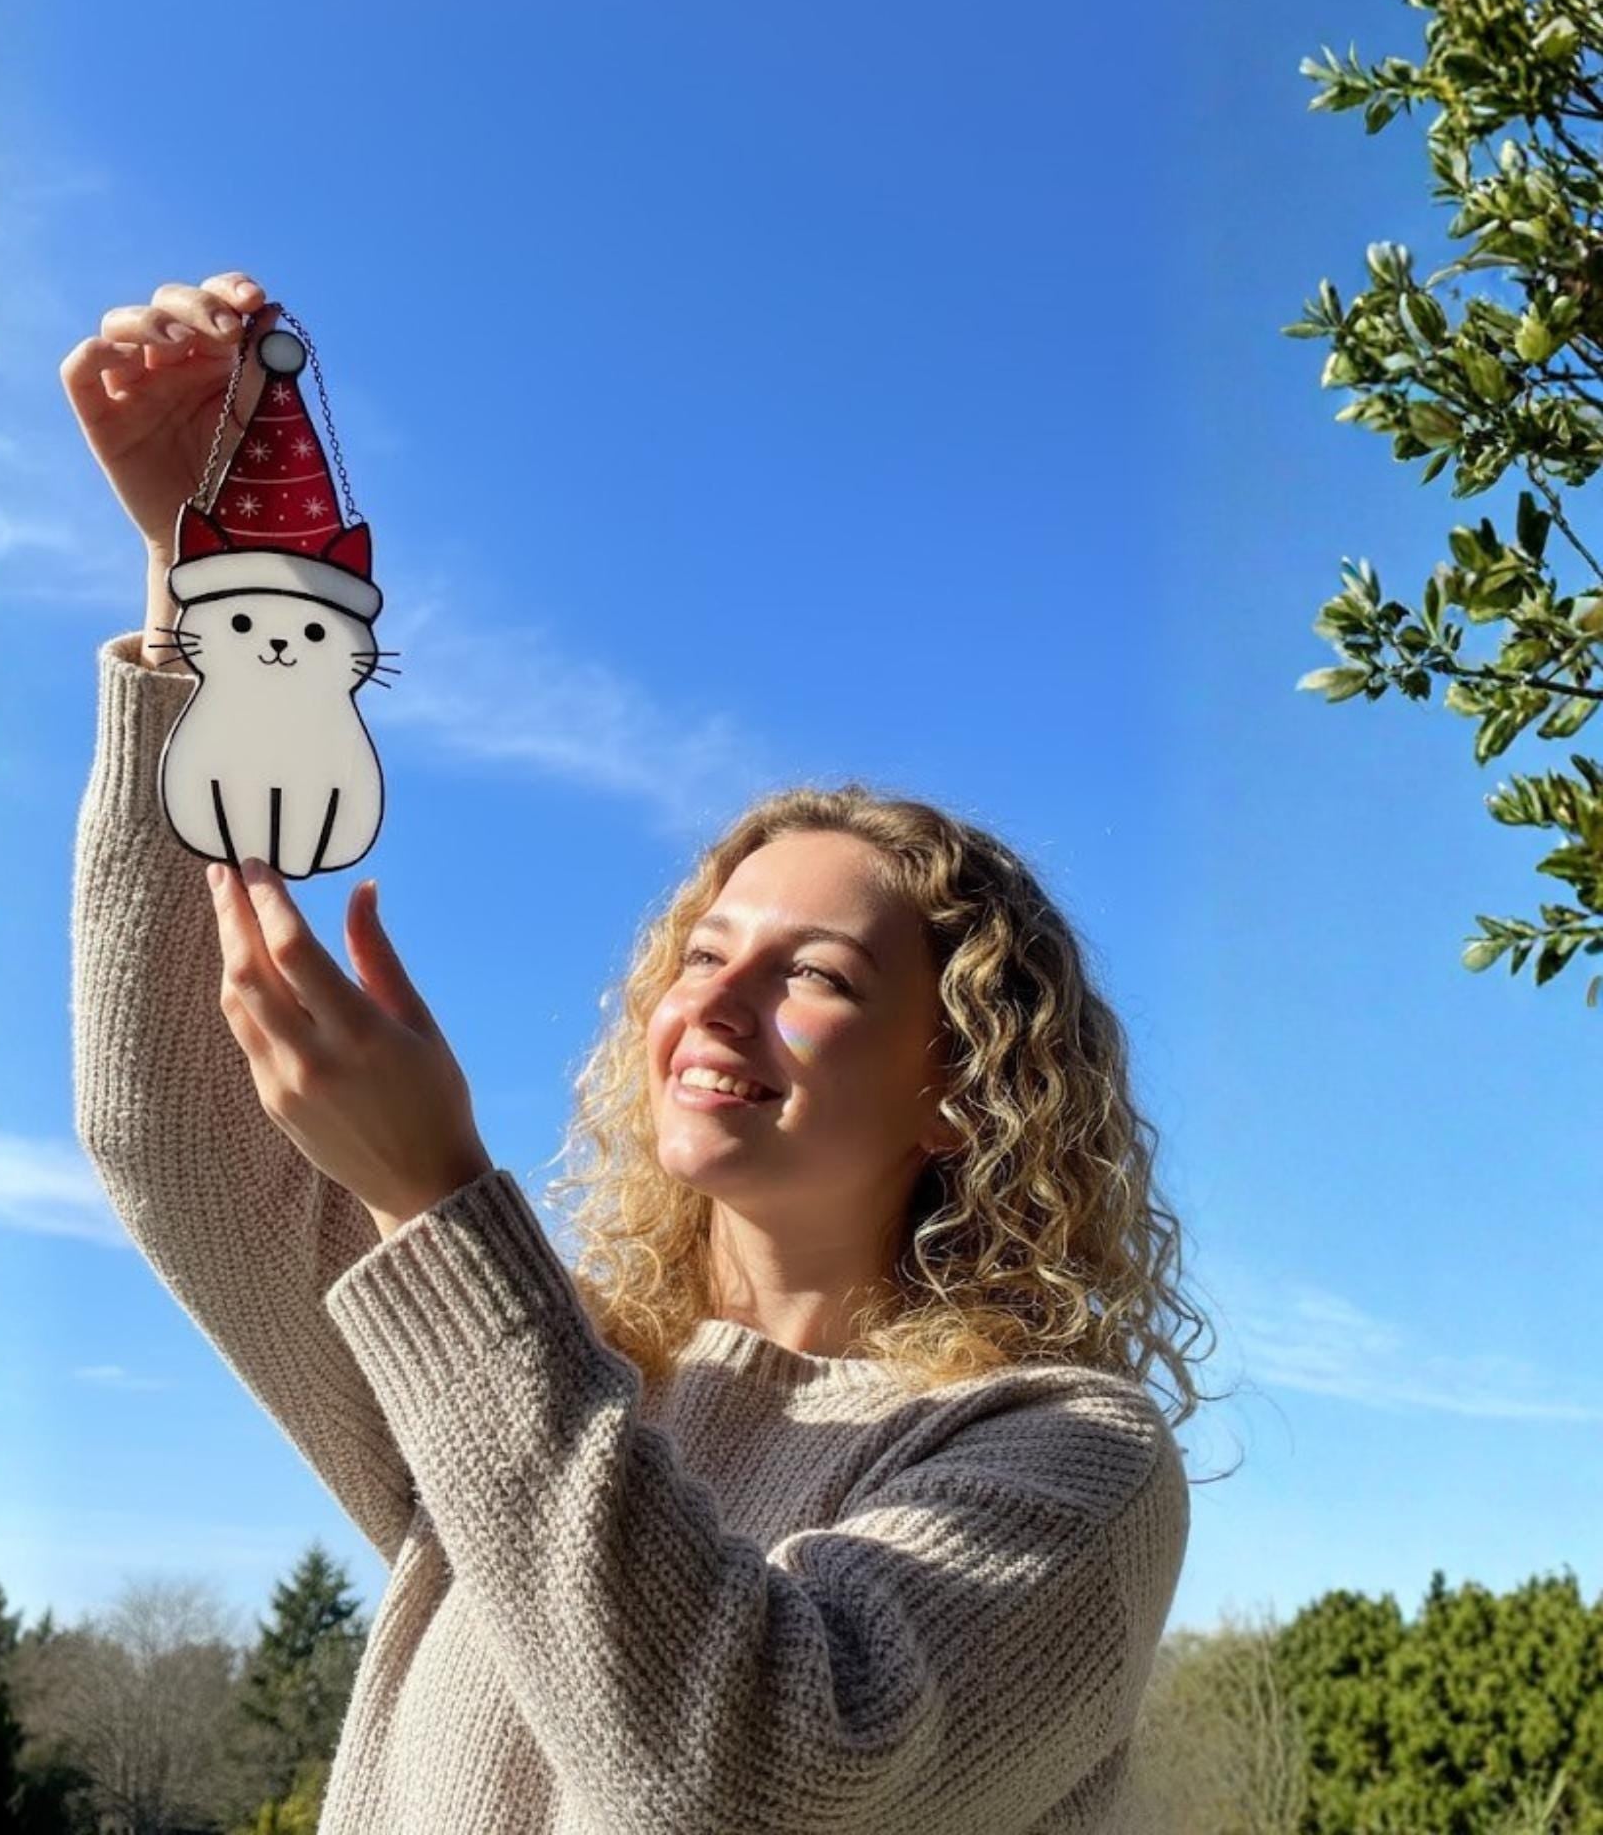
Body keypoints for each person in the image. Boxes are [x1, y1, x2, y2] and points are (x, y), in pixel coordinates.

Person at [62, 271, 1213, 1835]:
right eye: (702, 958)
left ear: (964, 1086)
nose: (711, 1011)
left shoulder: (1065, 1456)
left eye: (809, 975)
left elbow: (752, 1784)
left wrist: (439, 1200)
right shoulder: (560, 1371)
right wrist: (210, 585)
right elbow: (174, 1131)